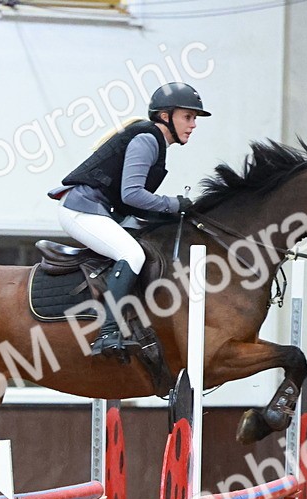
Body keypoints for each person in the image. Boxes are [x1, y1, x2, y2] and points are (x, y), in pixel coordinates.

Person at [48, 82, 210, 357]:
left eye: (194, 119)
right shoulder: (147, 140)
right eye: (188, 117)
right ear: (165, 116)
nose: (193, 125)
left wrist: (173, 213)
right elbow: (132, 194)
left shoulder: (154, 141)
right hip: (81, 210)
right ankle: (107, 333)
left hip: (98, 209)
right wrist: (173, 204)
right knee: (132, 254)